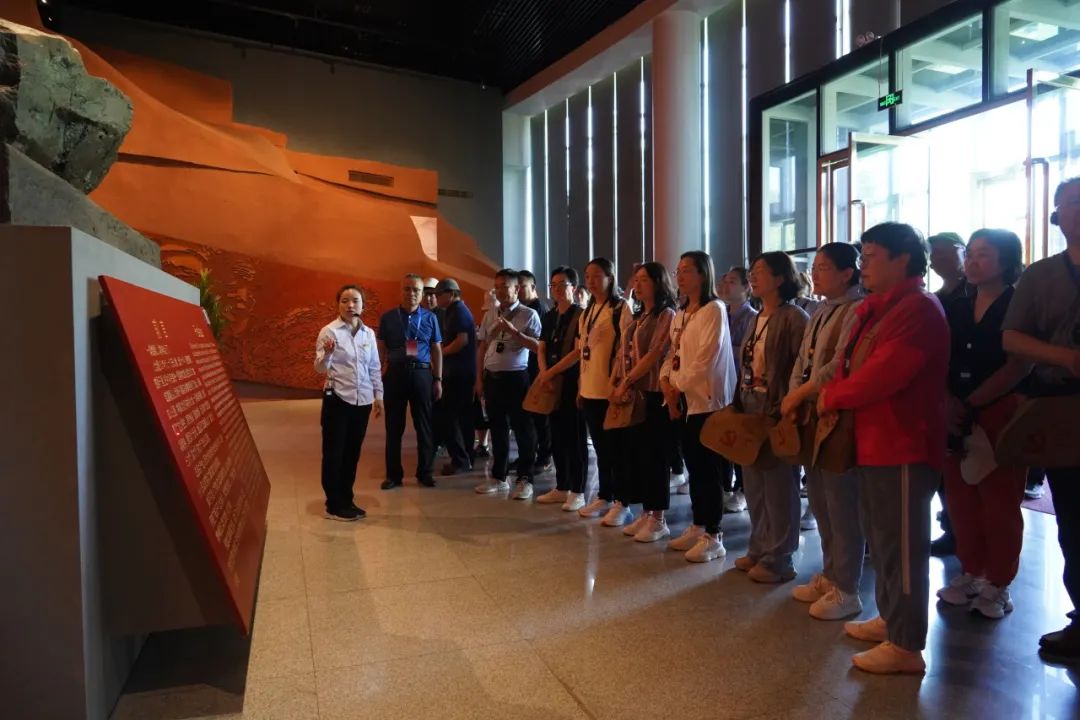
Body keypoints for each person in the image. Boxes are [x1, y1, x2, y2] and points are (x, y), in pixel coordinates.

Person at [818, 222, 949, 675]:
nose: (863, 266)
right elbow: (849, 364)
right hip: (873, 441)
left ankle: (907, 645)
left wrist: (831, 397)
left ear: (902, 259)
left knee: (903, 547)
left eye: (871, 257)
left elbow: (883, 374)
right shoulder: (877, 308)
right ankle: (892, 618)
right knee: (883, 541)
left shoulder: (918, 308)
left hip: (903, 444)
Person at [1003, 177, 1080, 664]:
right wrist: (1066, 357)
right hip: (1063, 407)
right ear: (1057, 215)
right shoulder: (1042, 275)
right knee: (1073, 517)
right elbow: (1012, 337)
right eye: (1071, 203)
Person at [937, 229, 1029, 620]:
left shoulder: (1018, 304)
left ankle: (999, 583)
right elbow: (942, 356)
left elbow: (1018, 365)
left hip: (1000, 409)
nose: (972, 262)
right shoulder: (958, 305)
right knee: (960, 499)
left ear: (1006, 261)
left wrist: (973, 401)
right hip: (955, 412)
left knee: (1000, 502)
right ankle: (972, 570)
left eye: (983, 254)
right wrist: (949, 401)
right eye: (970, 254)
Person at [780, 243, 865, 618]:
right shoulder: (820, 309)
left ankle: (847, 587)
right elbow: (804, 357)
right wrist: (795, 394)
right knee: (819, 498)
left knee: (841, 503)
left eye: (824, 267)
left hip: (836, 413)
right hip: (810, 410)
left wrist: (801, 392)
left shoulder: (857, 309)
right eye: (814, 267)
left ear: (848, 273)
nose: (815, 273)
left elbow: (839, 363)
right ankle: (830, 574)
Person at [733, 252, 810, 583]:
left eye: (761, 271)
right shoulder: (756, 317)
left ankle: (780, 557)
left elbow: (801, 367)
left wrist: (787, 407)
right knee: (754, 484)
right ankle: (759, 546)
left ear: (780, 278)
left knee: (779, 486)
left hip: (776, 407)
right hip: (750, 403)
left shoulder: (794, 317)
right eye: (752, 271)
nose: (753, 276)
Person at [660, 251, 738, 562]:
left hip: (707, 401)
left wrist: (676, 386)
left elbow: (706, 358)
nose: (680, 276)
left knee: (709, 470)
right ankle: (698, 524)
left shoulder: (713, 309)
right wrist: (667, 382)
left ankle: (714, 535)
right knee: (694, 466)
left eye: (687, 270)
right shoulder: (681, 313)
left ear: (703, 274)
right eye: (678, 271)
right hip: (684, 399)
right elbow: (673, 353)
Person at [605, 262, 678, 541]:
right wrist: (615, 381)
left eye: (644, 279)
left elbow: (656, 353)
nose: (638, 284)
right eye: (636, 280)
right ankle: (647, 512)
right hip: (635, 392)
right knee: (640, 455)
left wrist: (626, 381)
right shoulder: (638, 316)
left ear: (658, 283)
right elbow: (623, 352)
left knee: (656, 457)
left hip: (655, 392)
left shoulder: (666, 314)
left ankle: (658, 517)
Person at [314, 285, 384, 521]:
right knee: (334, 453)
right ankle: (333, 505)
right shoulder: (329, 332)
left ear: (363, 305)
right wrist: (328, 354)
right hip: (338, 399)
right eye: (344, 301)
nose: (350, 305)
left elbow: (374, 367)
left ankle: (346, 499)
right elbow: (319, 368)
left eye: (355, 300)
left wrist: (378, 396)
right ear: (338, 305)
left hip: (362, 400)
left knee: (352, 453)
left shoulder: (368, 334)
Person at [474, 269, 542, 499]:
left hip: (517, 378)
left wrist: (513, 332)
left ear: (517, 288)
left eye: (505, 285)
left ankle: (525, 478)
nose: (501, 290)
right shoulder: (490, 314)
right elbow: (482, 347)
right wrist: (479, 379)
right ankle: (499, 477)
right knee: (498, 429)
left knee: (523, 429)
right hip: (492, 378)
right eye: (497, 286)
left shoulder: (529, 314)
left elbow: (538, 347)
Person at [575, 258, 634, 520]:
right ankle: (605, 495)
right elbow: (583, 352)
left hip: (611, 390)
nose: (591, 281)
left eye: (597, 276)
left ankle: (623, 502)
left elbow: (627, 350)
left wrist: (619, 384)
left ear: (610, 277)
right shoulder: (587, 312)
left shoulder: (620, 308)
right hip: (590, 389)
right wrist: (580, 386)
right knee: (600, 448)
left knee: (617, 449)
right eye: (588, 276)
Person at [928, 231, 971, 557]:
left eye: (946, 251)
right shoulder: (936, 299)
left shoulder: (976, 292)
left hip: (977, 388)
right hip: (942, 389)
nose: (938, 258)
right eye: (934, 253)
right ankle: (953, 529)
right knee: (947, 470)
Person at [377, 274, 442, 489]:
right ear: (400, 291)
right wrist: (377, 377)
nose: (411, 293)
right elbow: (381, 348)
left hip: (422, 374)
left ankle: (425, 473)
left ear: (422, 293)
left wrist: (438, 379)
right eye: (407, 289)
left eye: (416, 290)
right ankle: (393, 475)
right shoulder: (388, 318)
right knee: (394, 427)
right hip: (395, 374)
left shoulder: (431, 318)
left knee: (424, 426)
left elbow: (436, 349)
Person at [535, 267, 588, 511]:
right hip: (550, 381)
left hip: (571, 381)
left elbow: (577, 352)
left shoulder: (581, 315)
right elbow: (542, 347)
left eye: (562, 284)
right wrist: (544, 371)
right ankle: (562, 485)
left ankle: (578, 490)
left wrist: (551, 372)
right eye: (553, 284)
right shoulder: (550, 316)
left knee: (574, 437)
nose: (557, 289)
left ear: (573, 288)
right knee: (556, 435)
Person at [719, 266, 758, 512]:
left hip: (740, 384)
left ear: (746, 287)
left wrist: (722, 348)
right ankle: (726, 486)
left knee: (740, 438)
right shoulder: (721, 313)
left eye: (732, 281)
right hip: (721, 384)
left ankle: (742, 488)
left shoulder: (751, 317)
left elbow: (747, 353)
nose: (726, 285)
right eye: (725, 280)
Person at [434, 279, 477, 476]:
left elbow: (462, 340)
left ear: (450, 293)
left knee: (453, 417)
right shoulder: (451, 311)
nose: (435, 298)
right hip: (458, 372)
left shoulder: (458, 311)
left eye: (438, 294)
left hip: (459, 373)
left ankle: (461, 459)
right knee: (461, 417)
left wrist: (440, 354)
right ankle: (465, 458)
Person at [518, 270, 554, 474]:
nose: (518, 290)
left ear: (533, 287)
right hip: (525, 368)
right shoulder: (521, 309)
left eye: (522, 286)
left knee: (540, 416)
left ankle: (544, 457)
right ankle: (529, 455)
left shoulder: (538, 309)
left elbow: (540, 344)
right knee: (529, 416)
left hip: (537, 367)